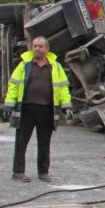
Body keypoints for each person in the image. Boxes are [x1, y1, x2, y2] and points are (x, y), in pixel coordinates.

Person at [4, 36, 72, 182]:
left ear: (47, 49)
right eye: (35, 46)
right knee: (21, 142)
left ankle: (43, 172)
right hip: (26, 109)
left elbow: (63, 89)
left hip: (46, 110)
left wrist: (67, 107)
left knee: (44, 143)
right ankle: (18, 172)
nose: (37, 49)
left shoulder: (56, 67)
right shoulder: (24, 66)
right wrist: (9, 105)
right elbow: (14, 86)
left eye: (40, 46)